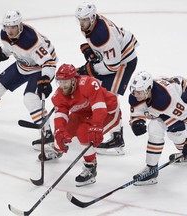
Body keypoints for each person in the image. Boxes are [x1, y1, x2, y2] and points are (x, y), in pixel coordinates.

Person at [0, 10, 58, 149]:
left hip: (39, 68)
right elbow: (9, 48)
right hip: (22, 65)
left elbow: (49, 62)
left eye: (13, 27)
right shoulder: (4, 33)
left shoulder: (32, 40)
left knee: (30, 99)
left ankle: (47, 135)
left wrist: (45, 79)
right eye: (7, 27)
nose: (9, 30)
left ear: (20, 26)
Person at [40, 64, 121, 187]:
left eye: (66, 82)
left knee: (85, 133)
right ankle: (57, 150)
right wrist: (59, 131)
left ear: (73, 80)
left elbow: (99, 107)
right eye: (60, 82)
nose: (62, 86)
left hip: (108, 111)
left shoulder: (88, 84)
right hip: (83, 113)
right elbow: (61, 115)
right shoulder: (59, 95)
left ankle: (91, 168)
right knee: (61, 134)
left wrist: (96, 127)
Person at [75, 2, 139, 155]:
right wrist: (92, 52)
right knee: (99, 91)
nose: (81, 23)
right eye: (79, 20)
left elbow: (112, 66)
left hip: (124, 62)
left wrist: (89, 69)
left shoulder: (102, 35)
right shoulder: (92, 24)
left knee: (108, 95)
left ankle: (117, 139)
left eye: (84, 20)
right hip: (115, 58)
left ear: (91, 17)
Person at [128, 71, 187, 185]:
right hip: (168, 101)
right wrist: (136, 122)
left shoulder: (165, 99)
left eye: (139, 92)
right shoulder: (136, 95)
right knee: (154, 128)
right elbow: (137, 113)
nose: (135, 95)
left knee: (175, 133)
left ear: (148, 89)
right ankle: (151, 169)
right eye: (134, 91)